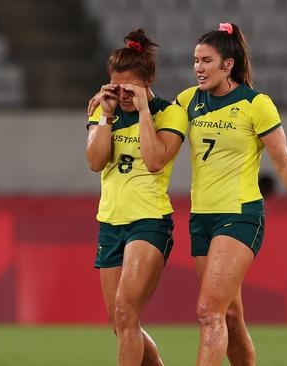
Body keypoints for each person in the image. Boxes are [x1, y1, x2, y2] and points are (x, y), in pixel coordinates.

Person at [174, 23, 287, 366]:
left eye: (206, 60)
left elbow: (284, 163)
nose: (197, 67)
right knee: (229, 317)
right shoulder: (188, 101)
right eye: (195, 60)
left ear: (228, 64)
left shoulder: (256, 104)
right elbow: (155, 123)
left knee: (208, 310)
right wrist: (122, 100)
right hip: (202, 219)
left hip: (240, 215)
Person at [85, 29, 188, 366]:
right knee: (119, 322)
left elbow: (156, 160)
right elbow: (95, 161)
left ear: (147, 82)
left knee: (126, 310)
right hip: (110, 222)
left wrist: (144, 111)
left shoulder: (169, 113)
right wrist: (106, 115)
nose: (123, 95)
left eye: (129, 89)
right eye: (116, 87)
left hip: (148, 221)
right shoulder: (105, 112)